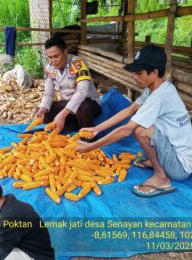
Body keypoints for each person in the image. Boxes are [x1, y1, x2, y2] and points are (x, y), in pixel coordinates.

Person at [75, 45, 192, 197]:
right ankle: (161, 162)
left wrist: (92, 146)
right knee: (144, 123)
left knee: (140, 130)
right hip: (176, 151)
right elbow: (129, 110)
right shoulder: (156, 89)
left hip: (180, 167)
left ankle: (162, 177)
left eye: (139, 73)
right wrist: (97, 129)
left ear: (155, 72)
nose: (135, 77)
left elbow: (127, 129)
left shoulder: (159, 96)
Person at [35, 37, 101, 133]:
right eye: (50, 57)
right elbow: (49, 93)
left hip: (88, 103)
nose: (53, 60)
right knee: (42, 113)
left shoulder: (77, 63)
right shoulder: (49, 68)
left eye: (56, 56)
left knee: (83, 107)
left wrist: (62, 114)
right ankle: (73, 122)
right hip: (66, 103)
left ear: (65, 51)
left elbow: (83, 91)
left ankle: (88, 136)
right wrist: (42, 108)